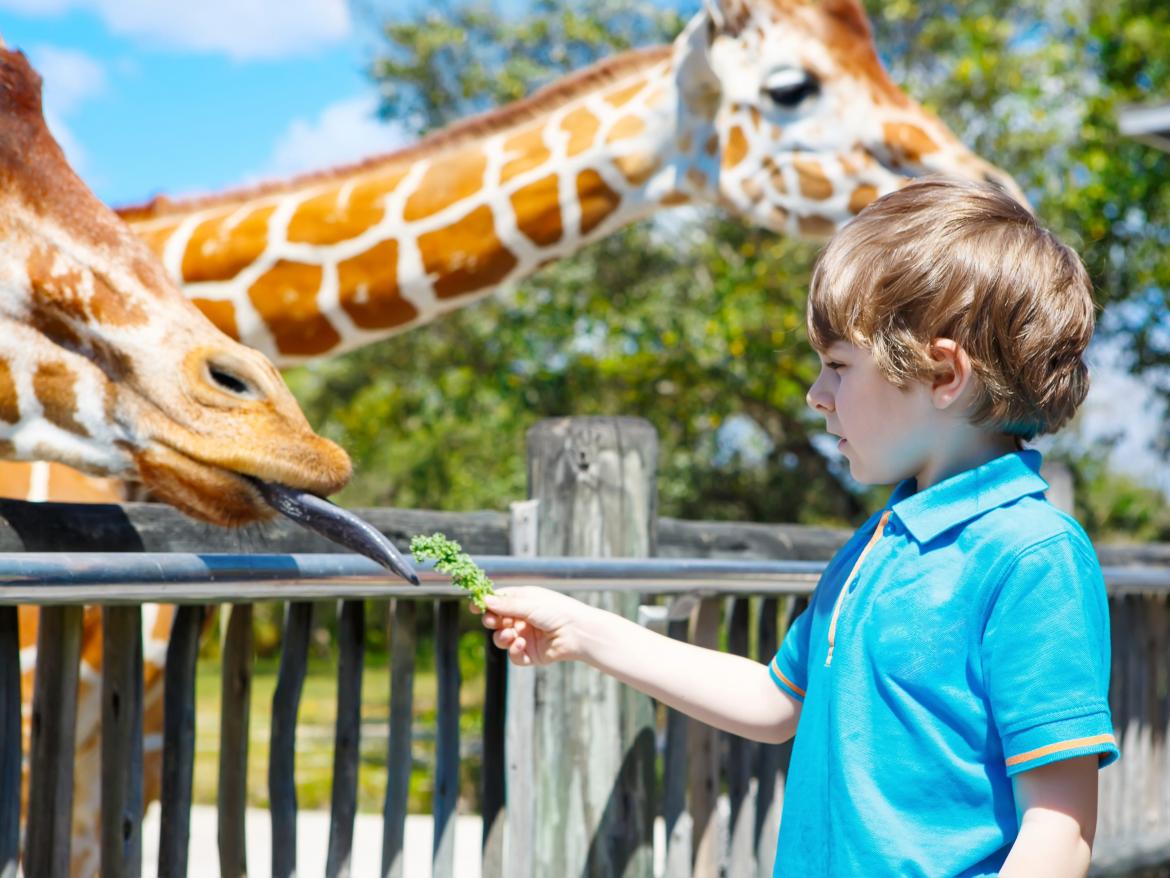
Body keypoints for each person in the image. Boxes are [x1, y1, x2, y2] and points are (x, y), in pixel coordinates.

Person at [477, 178, 1118, 877]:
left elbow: (1059, 828)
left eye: (838, 366)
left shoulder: (1033, 556)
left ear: (943, 373)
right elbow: (774, 700)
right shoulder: (877, 545)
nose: (817, 396)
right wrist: (581, 630)